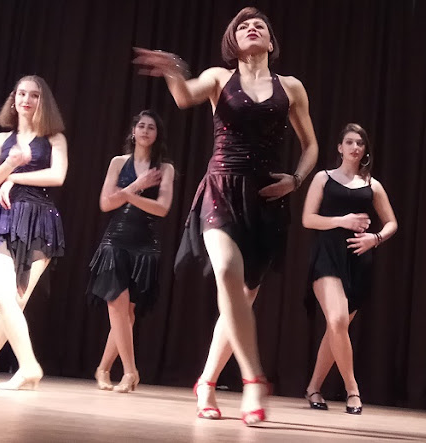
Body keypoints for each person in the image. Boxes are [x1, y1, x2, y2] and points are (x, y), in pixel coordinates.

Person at [132, 6, 318, 425]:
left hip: (266, 200)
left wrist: (295, 180)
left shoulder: (291, 87)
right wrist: (173, 68)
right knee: (228, 272)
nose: (251, 28)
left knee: (240, 300)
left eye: (259, 25)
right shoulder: (219, 77)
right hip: (221, 190)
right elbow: (184, 97)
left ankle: (206, 382)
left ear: (271, 41)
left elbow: (311, 146)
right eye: (243, 26)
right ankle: (253, 379)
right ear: (233, 42)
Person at [0, 75, 67, 390]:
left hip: (40, 221)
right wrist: (10, 165)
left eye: (34, 95)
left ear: (43, 101)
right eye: (22, 94)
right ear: (13, 99)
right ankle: (29, 366)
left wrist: (14, 178)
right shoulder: (0, 140)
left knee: (15, 301)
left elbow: (57, 176)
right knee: (1, 294)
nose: (27, 100)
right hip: (3, 219)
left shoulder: (54, 139)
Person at [302, 123, 397, 414]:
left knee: (337, 328)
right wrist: (341, 221)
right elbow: (308, 219)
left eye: (360, 143)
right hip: (327, 256)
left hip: (358, 260)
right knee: (338, 320)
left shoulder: (372, 185)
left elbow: (392, 223)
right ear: (340, 148)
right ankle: (352, 389)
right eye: (350, 142)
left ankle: (313, 388)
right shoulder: (323, 178)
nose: (355, 147)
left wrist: (375, 239)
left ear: (365, 150)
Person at [87, 110, 174, 393]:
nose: (145, 130)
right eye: (141, 126)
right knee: (116, 303)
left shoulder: (165, 169)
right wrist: (135, 187)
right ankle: (130, 372)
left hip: (145, 243)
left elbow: (162, 209)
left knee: (128, 314)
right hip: (115, 240)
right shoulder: (118, 162)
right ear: (133, 132)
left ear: (157, 134)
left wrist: (125, 194)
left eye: (151, 127)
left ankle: (103, 368)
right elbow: (105, 204)